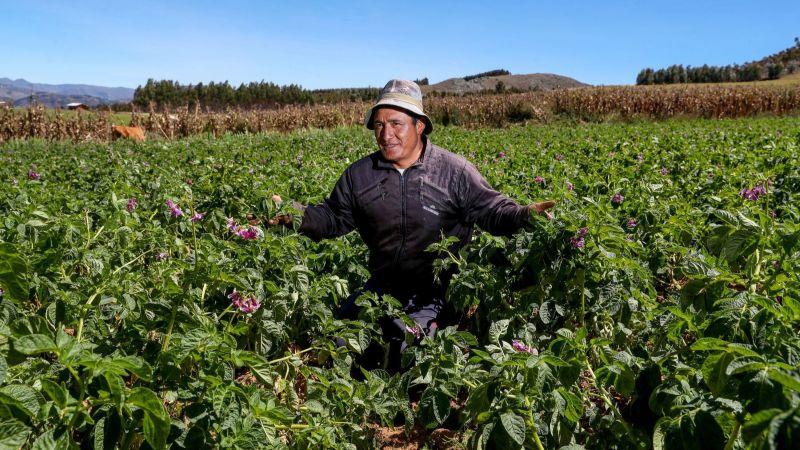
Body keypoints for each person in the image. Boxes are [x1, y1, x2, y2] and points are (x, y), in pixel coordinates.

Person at [271, 79, 554, 372]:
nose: (385, 134)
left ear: (419, 126)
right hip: (381, 288)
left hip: (436, 293)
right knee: (336, 346)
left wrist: (524, 215)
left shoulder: (454, 172)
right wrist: (292, 214)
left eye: (396, 123)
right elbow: (332, 217)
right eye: (379, 125)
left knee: (406, 354)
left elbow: (493, 210)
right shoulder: (360, 176)